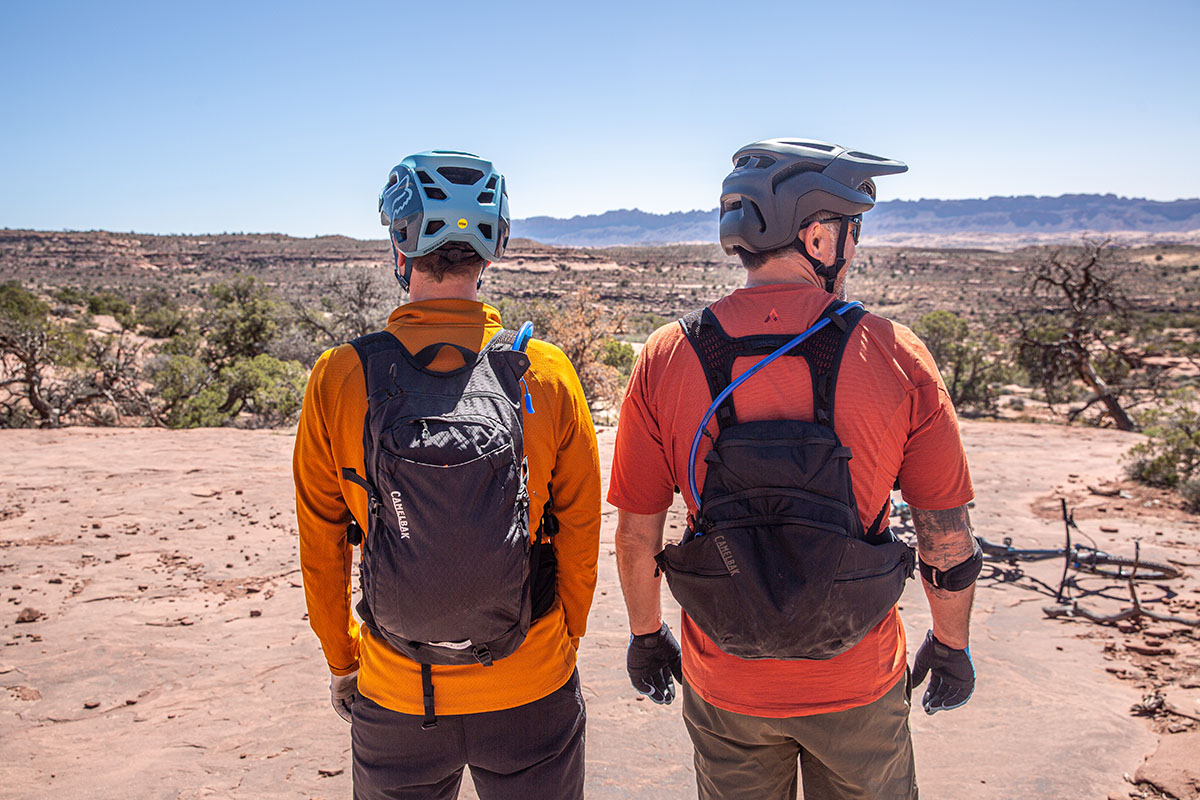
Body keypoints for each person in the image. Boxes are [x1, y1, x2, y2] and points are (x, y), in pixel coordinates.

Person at [609, 138, 980, 800]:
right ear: (816, 236)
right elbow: (945, 537)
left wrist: (645, 636)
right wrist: (950, 646)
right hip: (856, 677)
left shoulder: (666, 356)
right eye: (850, 230)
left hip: (726, 678)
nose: (853, 247)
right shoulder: (897, 355)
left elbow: (637, 534)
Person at [294, 150, 601, 800]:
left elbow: (322, 544)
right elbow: (579, 530)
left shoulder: (340, 377)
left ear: (399, 251)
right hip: (532, 685)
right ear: (490, 253)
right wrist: (560, 639)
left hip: (398, 693)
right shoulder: (543, 371)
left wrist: (344, 660)